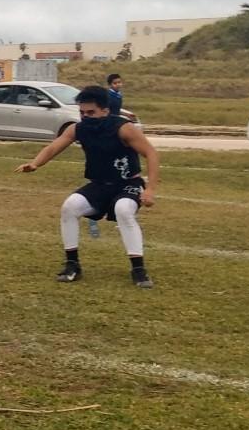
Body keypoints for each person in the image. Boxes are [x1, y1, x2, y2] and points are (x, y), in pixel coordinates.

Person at [15, 85, 160, 288]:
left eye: (91, 112)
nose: (86, 117)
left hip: (127, 184)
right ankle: (72, 265)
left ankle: (138, 270)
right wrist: (36, 163)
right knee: (69, 207)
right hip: (99, 185)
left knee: (123, 209)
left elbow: (151, 154)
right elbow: (55, 145)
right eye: (82, 112)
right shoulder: (78, 128)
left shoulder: (123, 128)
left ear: (105, 110)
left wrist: (150, 189)